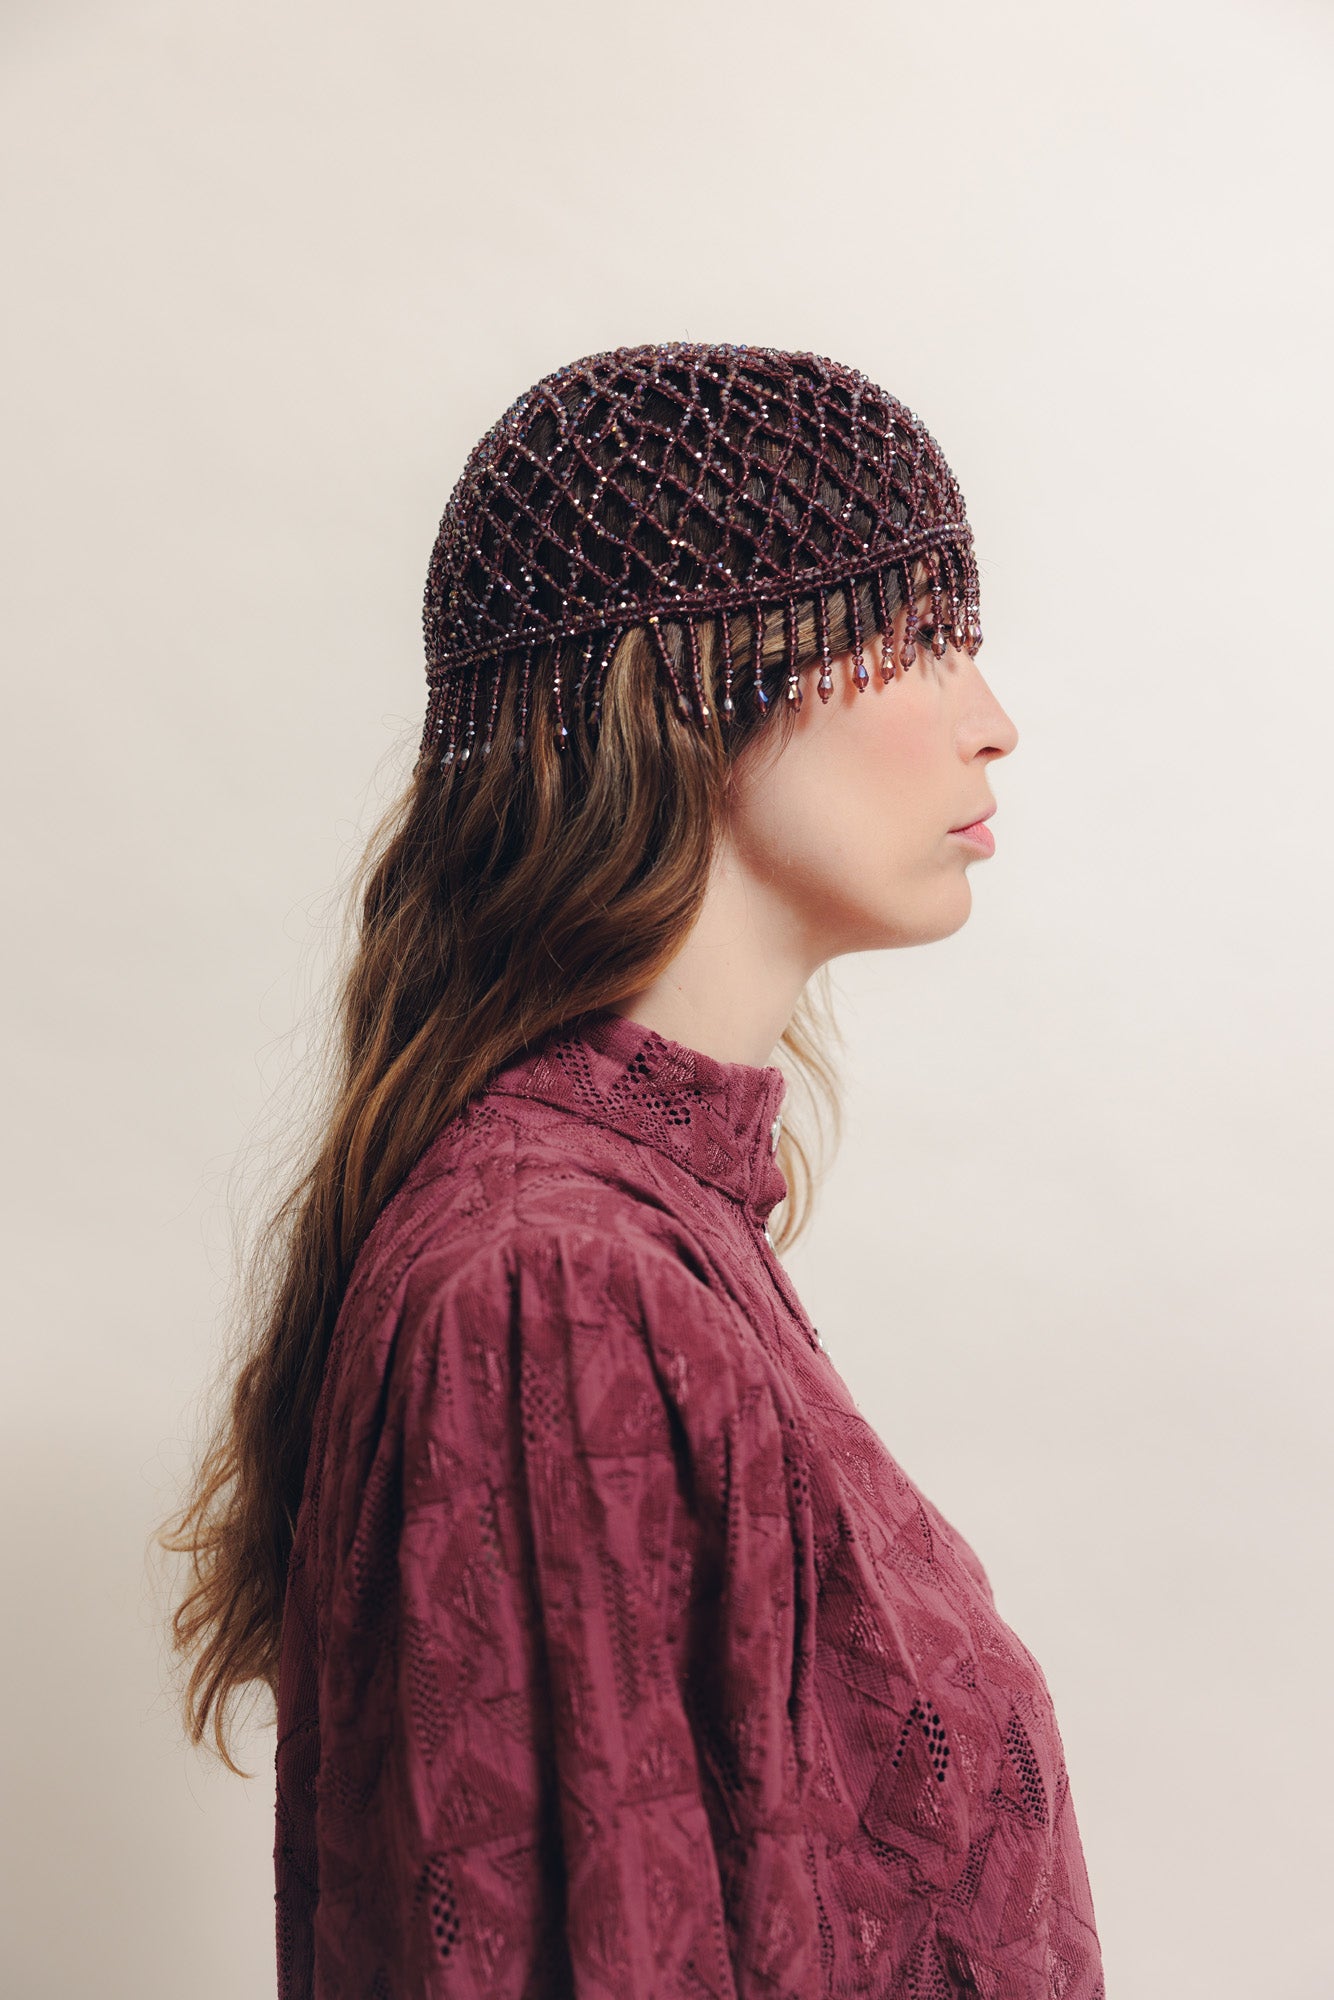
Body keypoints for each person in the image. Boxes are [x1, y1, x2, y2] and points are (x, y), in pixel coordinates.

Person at [160, 342, 1105, 1997]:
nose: (991, 722)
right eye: (918, 641)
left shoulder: (654, 1223)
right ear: (694, 686)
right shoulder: (558, 1283)